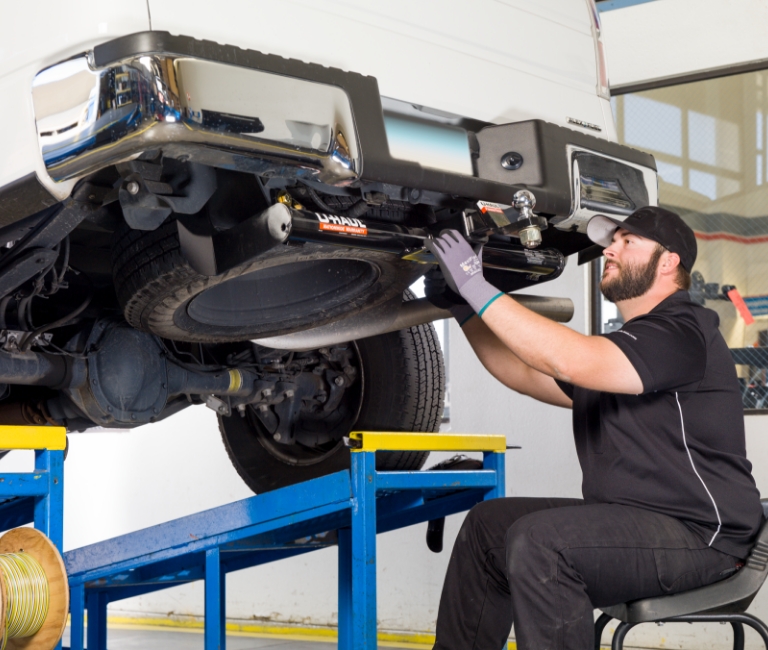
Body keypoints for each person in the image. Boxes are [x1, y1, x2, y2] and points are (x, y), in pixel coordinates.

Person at [423, 206, 763, 650]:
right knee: (491, 526)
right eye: (612, 241)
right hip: (641, 523)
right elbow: (525, 372)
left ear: (668, 262)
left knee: (544, 542)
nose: (611, 250)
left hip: (703, 537)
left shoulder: (684, 330)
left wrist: (475, 285)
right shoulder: (626, 354)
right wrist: (462, 306)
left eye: (628, 242)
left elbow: (568, 358)